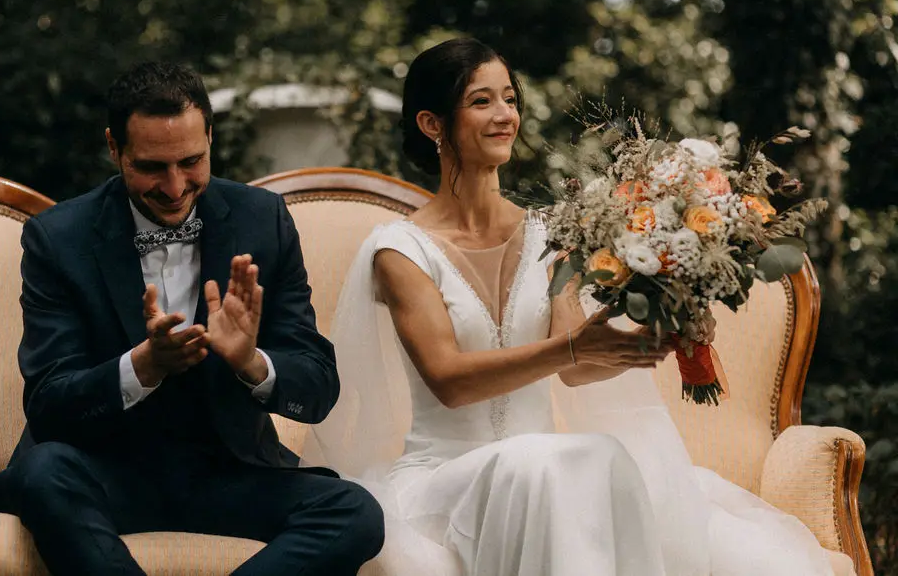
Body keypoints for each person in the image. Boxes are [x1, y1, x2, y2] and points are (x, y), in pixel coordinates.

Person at [307, 38, 835, 576]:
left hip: (545, 474)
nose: (504, 116)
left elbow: (578, 366)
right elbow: (449, 379)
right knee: (551, 466)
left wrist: (653, 336)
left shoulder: (550, 230)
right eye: (481, 101)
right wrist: (570, 348)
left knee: (592, 458)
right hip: (445, 478)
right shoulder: (401, 250)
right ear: (431, 123)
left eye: (510, 99)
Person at [0, 62, 385, 576]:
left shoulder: (263, 219)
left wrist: (251, 361)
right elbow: (50, 403)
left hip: (230, 475)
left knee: (355, 513)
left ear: (211, 136)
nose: (175, 185)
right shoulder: (58, 238)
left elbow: (316, 388)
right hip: (107, 476)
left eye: (191, 161)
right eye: (151, 167)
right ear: (114, 148)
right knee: (44, 472)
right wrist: (142, 365)